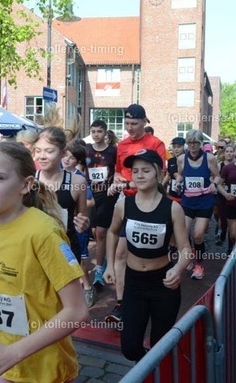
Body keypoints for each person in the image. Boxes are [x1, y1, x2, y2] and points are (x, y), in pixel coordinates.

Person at [0, 142, 90, 382]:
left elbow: (77, 312)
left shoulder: (43, 233)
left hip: (43, 368)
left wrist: (14, 353)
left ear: (25, 185)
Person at [103, 149, 191, 362]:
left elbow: (186, 249)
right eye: (135, 171)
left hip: (163, 284)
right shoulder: (124, 204)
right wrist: (109, 265)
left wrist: (178, 269)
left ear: (159, 173)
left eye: (145, 170)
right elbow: (112, 232)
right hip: (134, 283)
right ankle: (147, 365)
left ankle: (153, 370)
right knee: (130, 347)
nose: (139, 175)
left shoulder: (173, 208)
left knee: (160, 346)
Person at [105, 104, 167, 323]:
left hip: (151, 202)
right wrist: (117, 181)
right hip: (128, 202)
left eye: (134, 124)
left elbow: (160, 176)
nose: (130, 128)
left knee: (151, 254)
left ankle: (155, 298)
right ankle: (121, 304)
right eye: (127, 123)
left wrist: (129, 183)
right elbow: (118, 171)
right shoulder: (122, 145)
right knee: (121, 252)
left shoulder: (156, 144)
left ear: (144, 122)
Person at [34, 126, 91, 264]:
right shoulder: (28, 181)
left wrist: (84, 224)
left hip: (66, 250)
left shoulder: (78, 182)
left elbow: (82, 218)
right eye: (38, 150)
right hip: (36, 250)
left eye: (49, 151)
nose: (42, 156)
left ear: (63, 153)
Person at [175, 129, 221, 280]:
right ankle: (188, 256)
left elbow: (217, 176)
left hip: (204, 201)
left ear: (201, 143)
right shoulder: (181, 158)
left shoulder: (209, 158)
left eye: (195, 142)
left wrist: (214, 184)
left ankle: (199, 265)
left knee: (198, 235)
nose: (193, 146)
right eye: (190, 143)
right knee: (183, 233)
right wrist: (178, 182)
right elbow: (180, 174)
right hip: (188, 201)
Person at [85, 120, 118, 294]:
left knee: (101, 232)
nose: (96, 134)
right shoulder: (86, 150)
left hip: (107, 195)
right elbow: (81, 169)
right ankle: (103, 258)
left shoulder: (113, 151)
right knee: (93, 233)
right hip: (90, 195)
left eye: (99, 131)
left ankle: (99, 271)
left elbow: (118, 170)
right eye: (93, 131)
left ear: (105, 133)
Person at [62, 139, 96, 307]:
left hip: (76, 224)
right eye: (65, 155)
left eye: (71, 157)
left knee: (79, 260)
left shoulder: (79, 178)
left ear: (78, 161)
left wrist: (74, 205)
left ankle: (87, 287)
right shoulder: (57, 174)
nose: (67, 160)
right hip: (60, 224)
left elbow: (91, 201)